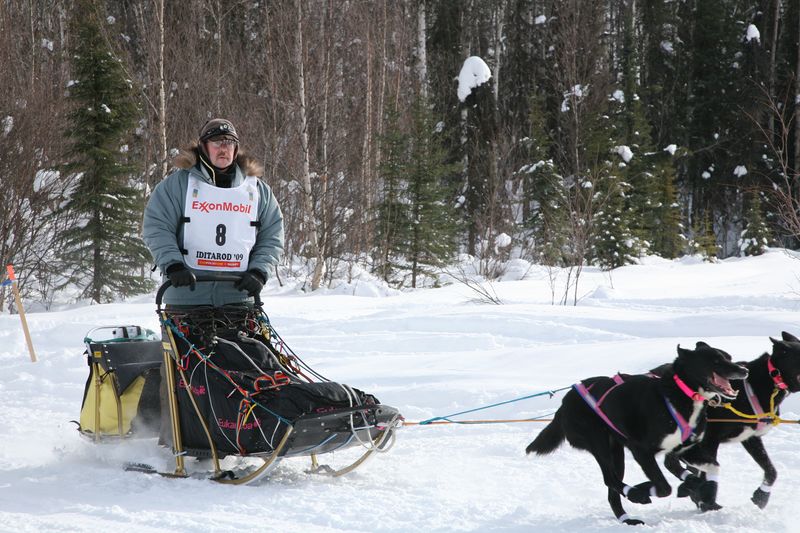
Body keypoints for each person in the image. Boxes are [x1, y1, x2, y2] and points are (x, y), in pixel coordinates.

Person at [143, 118, 283, 306]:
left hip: (239, 297)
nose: (224, 148)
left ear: (236, 148)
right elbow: (157, 227)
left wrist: (259, 271)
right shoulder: (177, 186)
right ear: (203, 146)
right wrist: (173, 265)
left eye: (230, 143)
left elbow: (272, 235)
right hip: (187, 297)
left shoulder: (258, 190)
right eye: (217, 143)